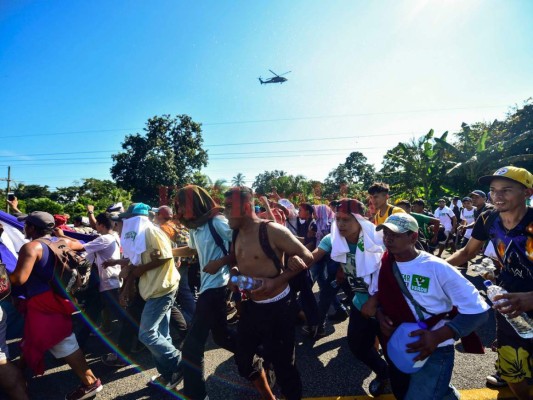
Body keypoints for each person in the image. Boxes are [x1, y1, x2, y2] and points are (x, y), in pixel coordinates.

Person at [375, 213, 489, 400]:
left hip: (435, 349)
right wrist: (380, 315)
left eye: (395, 234)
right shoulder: (384, 262)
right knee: (438, 392)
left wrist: (437, 336)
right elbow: (380, 297)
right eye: (386, 233)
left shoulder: (437, 267)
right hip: (403, 343)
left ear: (413, 237)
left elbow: (478, 310)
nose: (388, 238)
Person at [447, 166, 533, 400]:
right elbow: (466, 253)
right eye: (493, 190)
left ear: (527, 192)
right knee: (512, 367)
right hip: (507, 300)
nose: (497, 196)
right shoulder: (488, 218)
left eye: (506, 190)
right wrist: (431, 266)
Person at [223, 186, 313, 400]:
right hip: (252, 307)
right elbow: (236, 262)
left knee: (285, 368)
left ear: (246, 207)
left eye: (229, 207)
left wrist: (277, 281)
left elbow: (307, 256)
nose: (225, 212)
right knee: (244, 361)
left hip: (278, 308)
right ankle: (269, 393)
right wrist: (234, 276)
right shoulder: (236, 233)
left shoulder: (272, 230)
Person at [10, 211, 103, 400]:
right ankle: (15, 376)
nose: (23, 228)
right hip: (58, 298)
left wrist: (5, 271)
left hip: (41, 303)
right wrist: (62, 236)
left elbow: (19, 279)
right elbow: (82, 245)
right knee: (33, 338)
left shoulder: (31, 248)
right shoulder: (63, 243)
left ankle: (90, 382)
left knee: (64, 342)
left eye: (26, 224)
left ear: (32, 228)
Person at [309, 199, 388, 396]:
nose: (341, 224)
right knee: (356, 345)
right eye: (338, 219)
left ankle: (402, 381)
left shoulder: (378, 239)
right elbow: (312, 256)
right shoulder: (334, 239)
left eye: (346, 220)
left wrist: (375, 300)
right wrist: (293, 258)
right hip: (360, 302)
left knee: (393, 349)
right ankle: (383, 372)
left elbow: (392, 274)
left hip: (386, 303)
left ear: (360, 219)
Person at [103, 203, 183, 390]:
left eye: (123, 220)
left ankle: (179, 363)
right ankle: (168, 375)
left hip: (162, 288)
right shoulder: (138, 237)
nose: (120, 225)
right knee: (161, 335)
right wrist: (127, 270)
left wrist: (137, 271)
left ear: (133, 220)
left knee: (147, 334)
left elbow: (165, 257)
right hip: (151, 289)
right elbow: (137, 259)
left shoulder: (151, 232)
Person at [172, 185, 237, 400]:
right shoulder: (195, 227)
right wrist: (167, 252)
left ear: (196, 203)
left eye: (182, 204)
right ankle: (261, 354)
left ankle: (196, 395)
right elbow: (192, 249)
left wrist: (221, 262)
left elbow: (242, 242)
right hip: (209, 286)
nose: (179, 210)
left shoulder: (217, 221)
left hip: (217, 286)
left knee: (191, 347)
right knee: (222, 337)